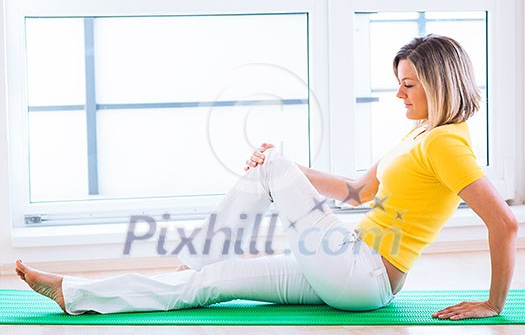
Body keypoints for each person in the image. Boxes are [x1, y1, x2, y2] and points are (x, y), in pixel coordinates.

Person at [16, 34, 518, 320]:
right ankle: (75, 293)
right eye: (398, 83)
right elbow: (358, 191)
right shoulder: (417, 138)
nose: (400, 95)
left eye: (408, 84)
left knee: (267, 174)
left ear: (438, 83)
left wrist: (494, 305)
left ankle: (199, 250)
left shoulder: (446, 141)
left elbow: (505, 223)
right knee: (206, 284)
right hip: (342, 264)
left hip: (364, 274)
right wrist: (289, 170)